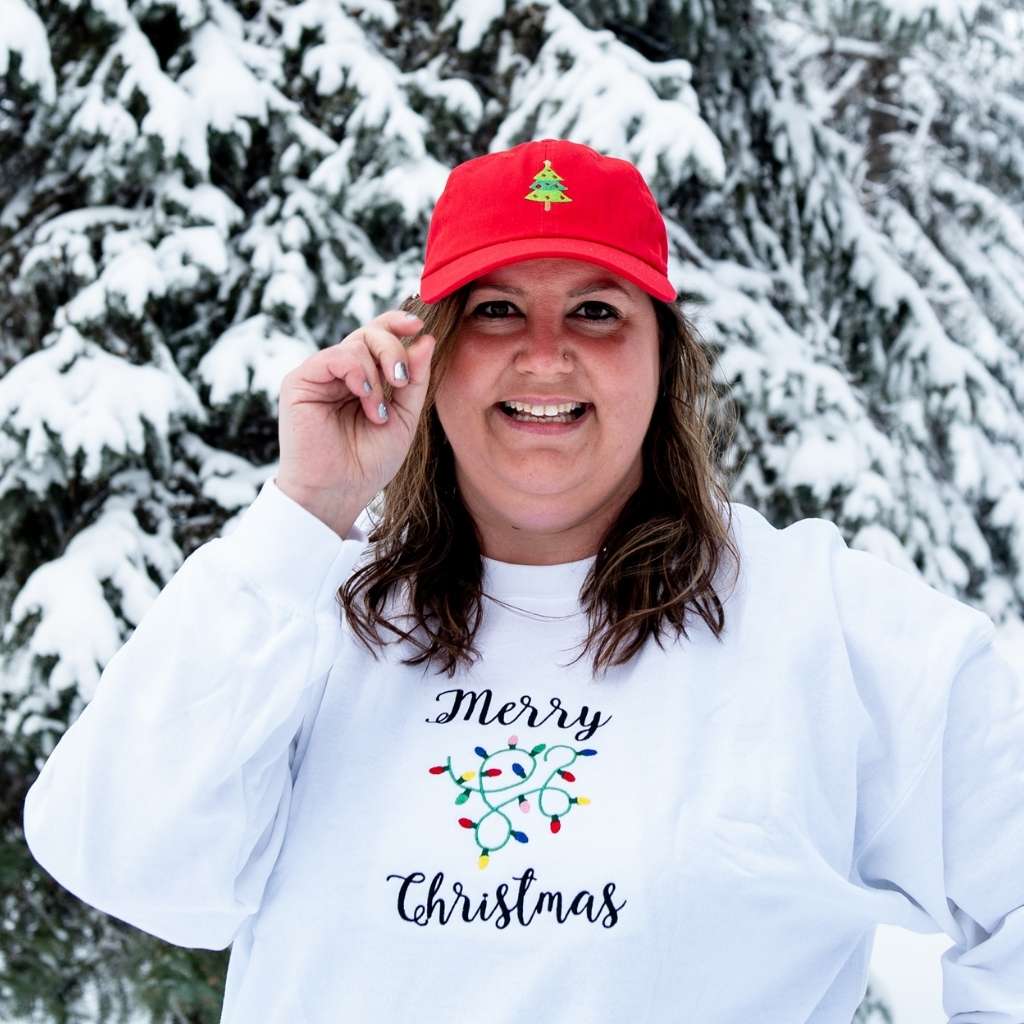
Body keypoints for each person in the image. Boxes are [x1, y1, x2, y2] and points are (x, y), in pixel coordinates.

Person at [22, 138, 1024, 1023]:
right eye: (496, 309)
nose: (545, 355)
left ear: (662, 359)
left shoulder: (817, 621)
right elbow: (129, 864)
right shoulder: (308, 606)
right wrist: (303, 509)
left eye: (596, 310)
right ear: (427, 353)